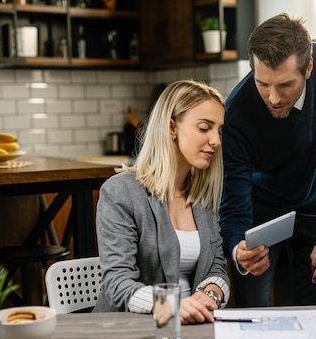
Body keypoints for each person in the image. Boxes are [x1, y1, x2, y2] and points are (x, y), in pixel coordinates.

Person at [220, 13, 316, 307]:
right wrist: (238, 250)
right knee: (253, 308)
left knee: (312, 307)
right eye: (263, 84)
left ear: (308, 67)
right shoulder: (237, 111)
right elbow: (233, 200)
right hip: (263, 213)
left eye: (285, 84)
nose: (273, 98)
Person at [93, 79, 231, 324]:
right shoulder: (120, 193)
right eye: (204, 128)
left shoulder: (204, 196)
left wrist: (211, 294)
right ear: (171, 128)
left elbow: (216, 266)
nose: (216, 141)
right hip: (130, 330)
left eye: (219, 130)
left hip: (194, 328)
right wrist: (172, 304)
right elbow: (117, 284)